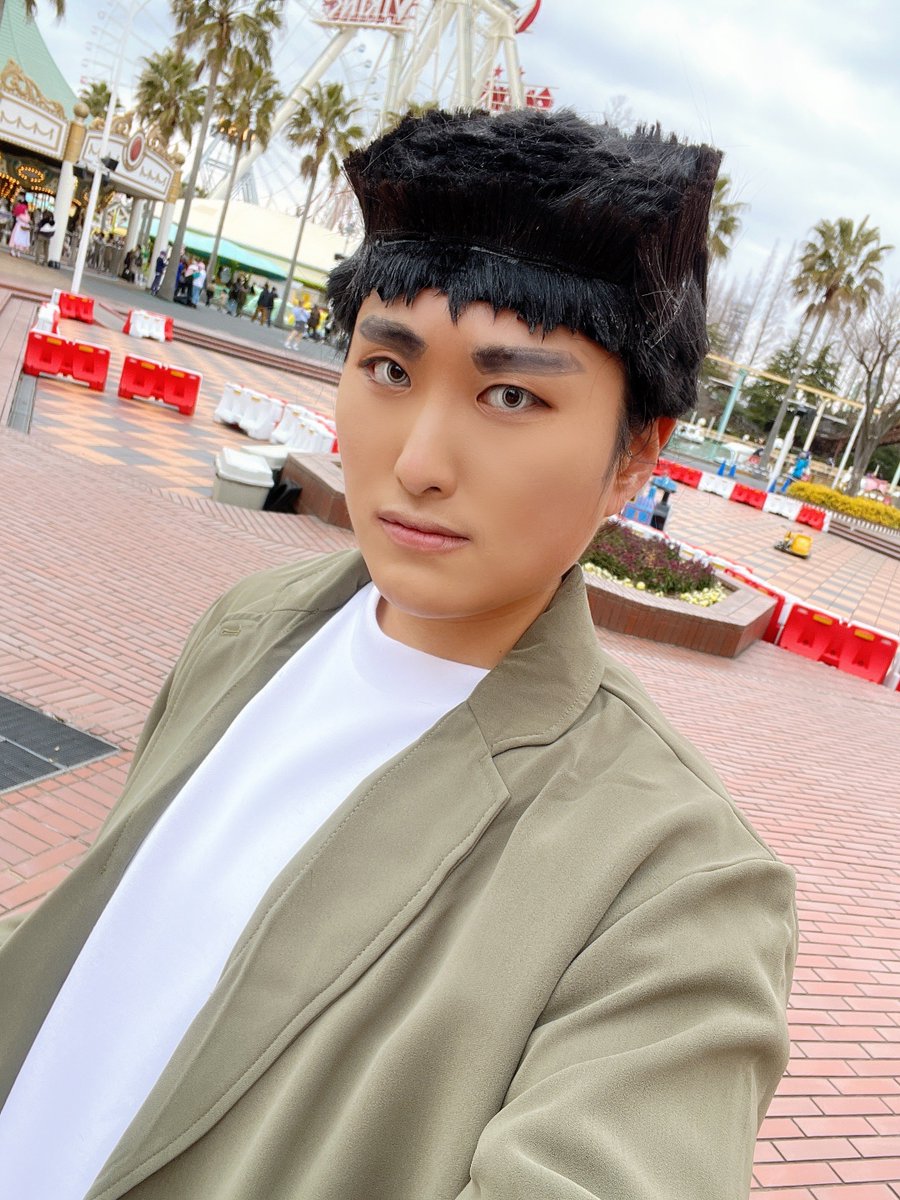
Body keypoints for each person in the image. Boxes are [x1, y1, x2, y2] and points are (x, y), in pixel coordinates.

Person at [0, 109, 796, 1200]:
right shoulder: (248, 630)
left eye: (511, 395)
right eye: (387, 367)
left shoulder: (675, 883)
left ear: (634, 459)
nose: (419, 460)